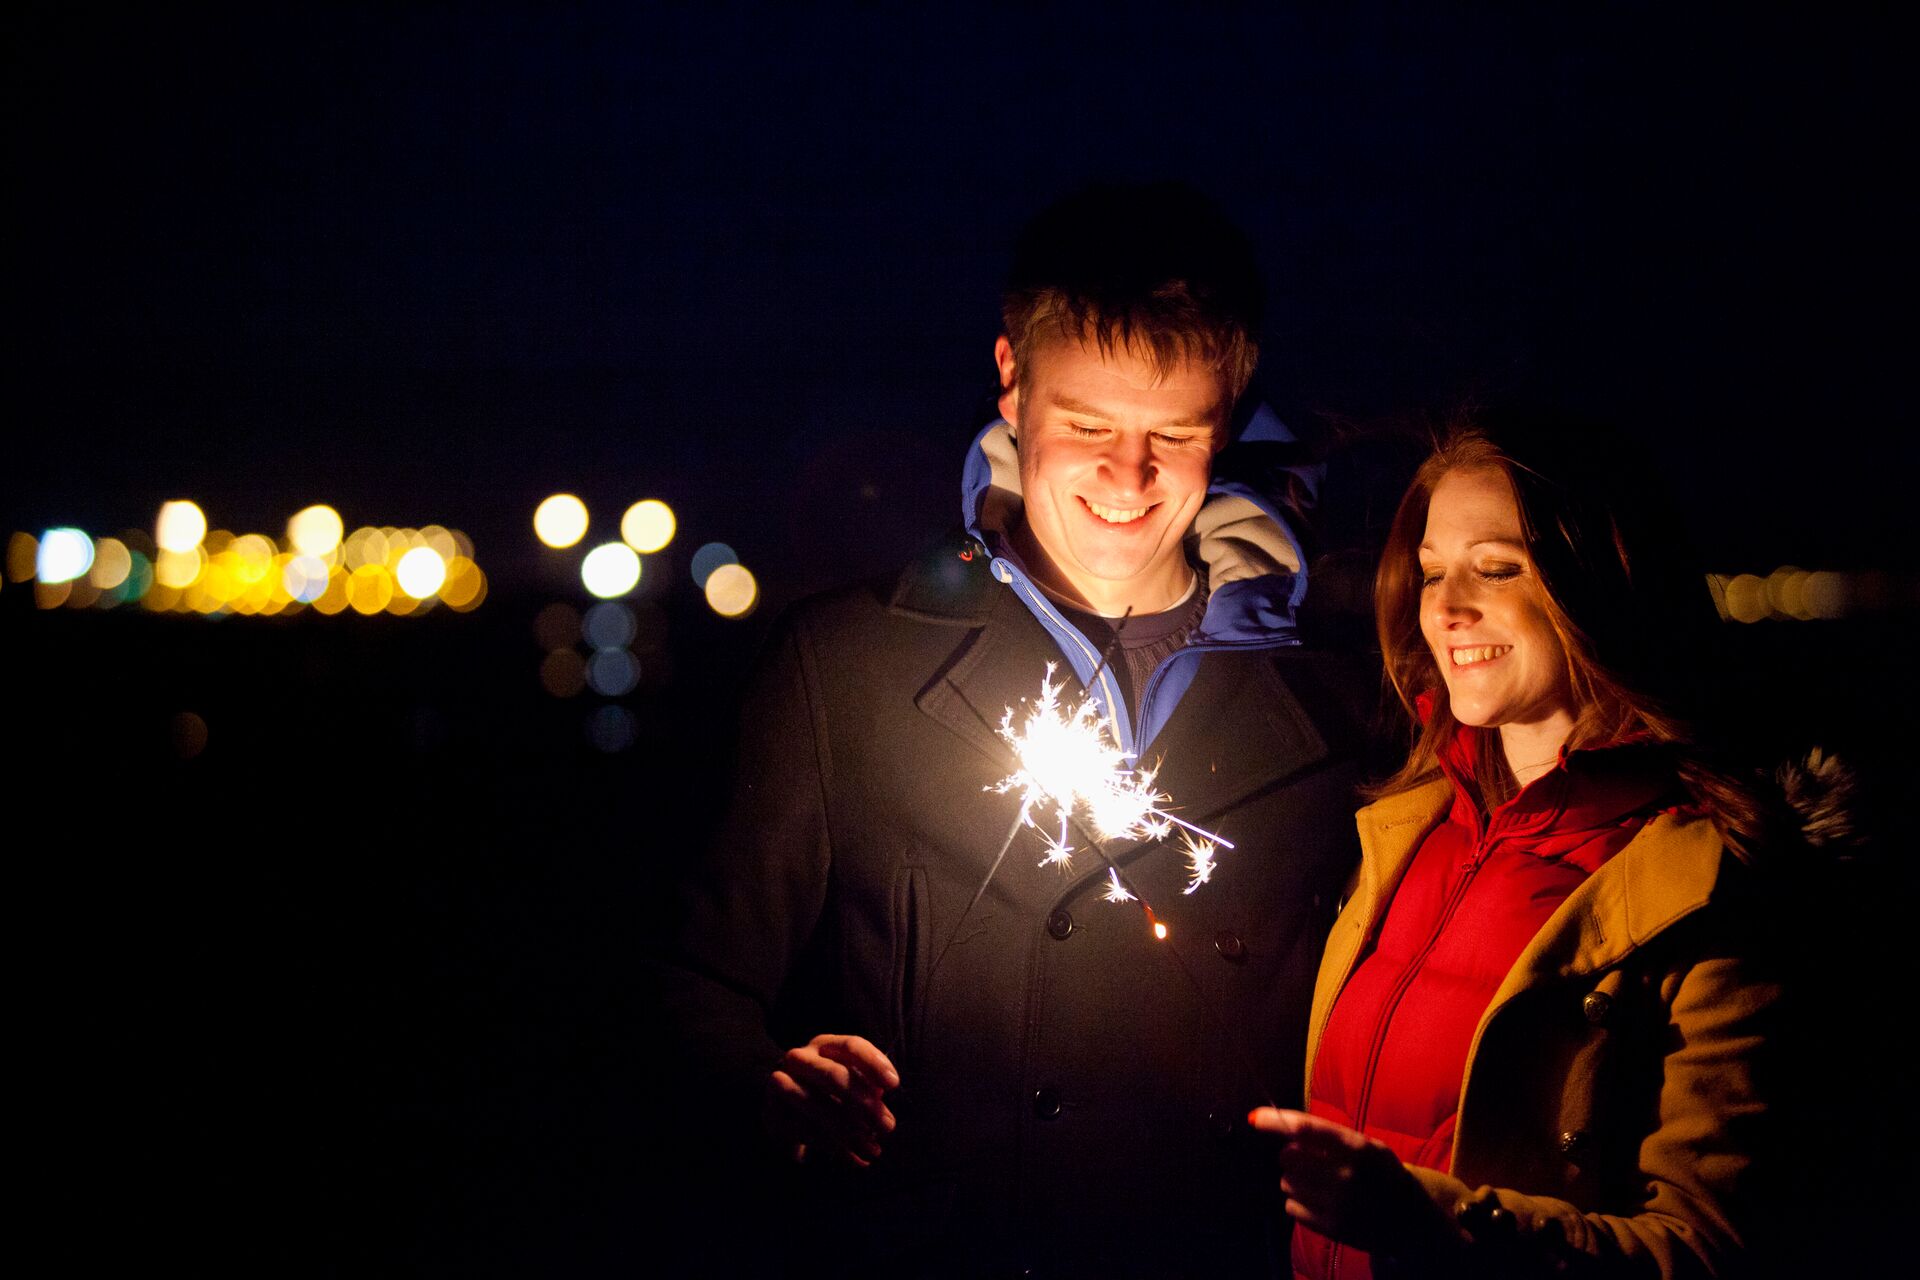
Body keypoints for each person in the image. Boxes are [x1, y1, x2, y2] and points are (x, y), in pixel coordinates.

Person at [662, 182, 1373, 1274]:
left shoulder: (1341, 687)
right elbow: (694, 987)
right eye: (1087, 424)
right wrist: (768, 1083)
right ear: (1010, 378)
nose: (1128, 479)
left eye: (1172, 435)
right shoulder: (845, 665)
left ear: (1227, 418)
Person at [1251, 416, 1787, 1277]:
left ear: (1600, 584)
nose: (1448, 607)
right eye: (1431, 572)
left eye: (1497, 569)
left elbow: (1705, 1246)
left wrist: (1437, 1225)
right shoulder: (1404, 833)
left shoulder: (1707, 888)